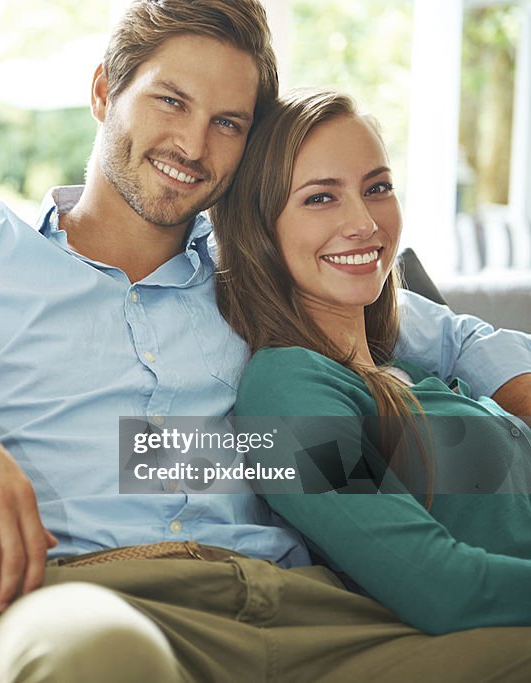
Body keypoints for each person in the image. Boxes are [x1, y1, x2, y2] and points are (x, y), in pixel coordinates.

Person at [0, 1, 531, 680]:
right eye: (170, 103)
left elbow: (456, 338)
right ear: (106, 90)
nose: (193, 145)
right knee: (100, 660)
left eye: (228, 124)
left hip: (303, 606)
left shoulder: (259, 269)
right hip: (83, 600)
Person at [211, 88, 531, 634]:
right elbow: (441, 586)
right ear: (261, 229)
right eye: (320, 198)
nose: (364, 223)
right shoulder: (284, 391)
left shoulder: (409, 366)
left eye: (377, 187)